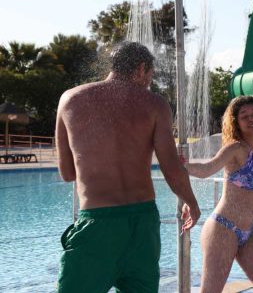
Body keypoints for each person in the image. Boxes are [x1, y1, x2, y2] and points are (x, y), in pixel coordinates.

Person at [55, 41, 201, 293]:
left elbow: (67, 173)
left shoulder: (70, 100)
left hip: (97, 224)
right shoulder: (155, 105)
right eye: (150, 76)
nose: (148, 83)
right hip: (142, 225)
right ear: (141, 69)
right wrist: (192, 202)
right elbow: (172, 169)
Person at [184, 95, 253, 292]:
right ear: (236, 122)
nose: (252, 119)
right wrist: (180, 166)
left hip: (249, 231)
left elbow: (251, 189)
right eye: (244, 116)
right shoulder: (235, 149)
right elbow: (206, 169)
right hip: (223, 229)